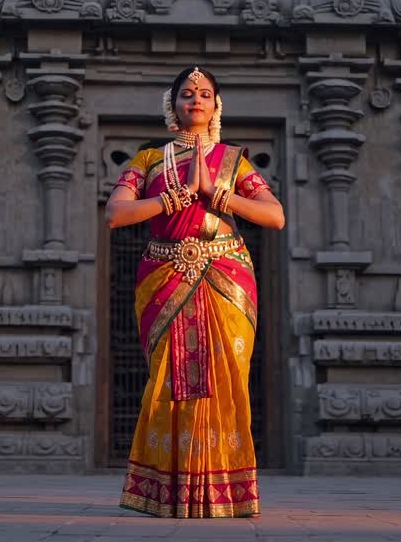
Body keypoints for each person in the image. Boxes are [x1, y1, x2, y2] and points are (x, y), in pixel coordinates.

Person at [106, 66, 285, 518]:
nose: (196, 101)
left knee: (226, 382)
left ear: (216, 105)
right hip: (164, 274)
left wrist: (216, 194)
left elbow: (274, 216)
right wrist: (175, 198)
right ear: (173, 105)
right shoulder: (148, 160)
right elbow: (116, 214)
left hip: (225, 272)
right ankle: (164, 491)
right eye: (187, 94)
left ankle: (225, 493)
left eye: (205, 94)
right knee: (166, 380)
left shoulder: (233, 160)